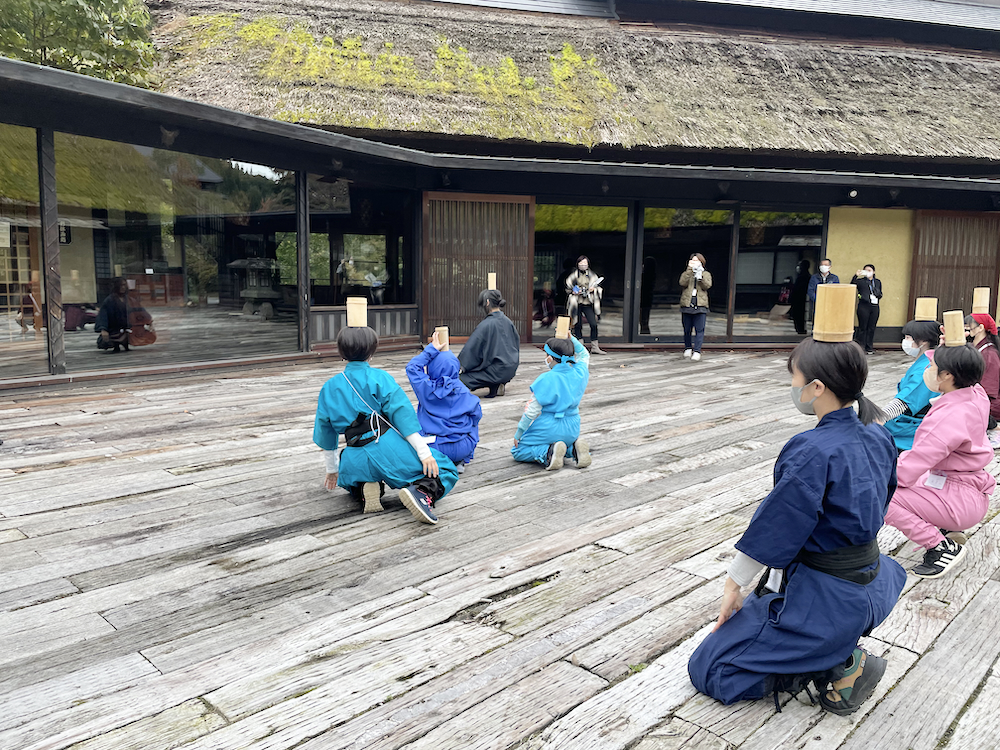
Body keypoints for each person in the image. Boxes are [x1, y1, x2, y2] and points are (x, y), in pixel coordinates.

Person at [688, 337, 905, 715]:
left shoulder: (813, 449)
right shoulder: (878, 433)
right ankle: (832, 648)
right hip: (873, 581)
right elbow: (881, 502)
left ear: (816, 388)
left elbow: (779, 525)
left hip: (828, 595)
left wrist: (733, 584)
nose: (793, 387)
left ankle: (838, 662)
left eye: (795, 378)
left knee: (711, 669)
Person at [314, 325, 460, 525]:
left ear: (341, 352)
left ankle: (365, 487)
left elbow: (325, 433)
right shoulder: (380, 378)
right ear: (371, 352)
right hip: (386, 445)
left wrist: (332, 470)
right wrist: (424, 453)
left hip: (353, 456)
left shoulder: (328, 387)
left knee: (350, 479)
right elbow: (403, 416)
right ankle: (421, 492)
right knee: (445, 470)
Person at [885, 345, 995, 577]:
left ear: (946, 375)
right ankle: (946, 527)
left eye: (933, 366)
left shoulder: (947, 418)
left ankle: (939, 546)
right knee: (910, 482)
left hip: (958, 498)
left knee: (881, 494)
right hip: (967, 486)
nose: (929, 370)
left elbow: (909, 468)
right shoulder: (975, 395)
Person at [406, 330, 483, 474]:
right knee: (473, 421)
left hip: (434, 447)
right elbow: (477, 415)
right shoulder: (464, 391)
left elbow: (412, 368)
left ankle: (438, 462)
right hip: (462, 446)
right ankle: (461, 460)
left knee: (412, 423)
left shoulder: (426, 389)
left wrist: (430, 351)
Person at [511, 335, 592, 471]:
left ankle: (548, 452)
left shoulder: (545, 378)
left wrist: (519, 433)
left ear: (550, 358)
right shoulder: (580, 372)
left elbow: (531, 411)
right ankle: (573, 450)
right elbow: (584, 354)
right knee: (564, 442)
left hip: (549, 425)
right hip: (573, 426)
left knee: (518, 450)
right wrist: (571, 338)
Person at [882, 320, 940, 452]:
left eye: (908, 338)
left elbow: (905, 402)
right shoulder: (925, 361)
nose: (905, 341)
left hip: (914, 426)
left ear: (923, 341)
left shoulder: (926, 368)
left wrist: (879, 417)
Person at [458, 289, 520, 398]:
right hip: (511, 368)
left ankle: (496, 382)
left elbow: (472, 350)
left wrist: (460, 366)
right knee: (489, 363)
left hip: (496, 371)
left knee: (460, 379)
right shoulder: (508, 322)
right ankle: (497, 385)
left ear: (487, 303)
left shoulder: (485, 325)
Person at [965, 313, 1000, 433]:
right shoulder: (973, 347)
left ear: (980, 328)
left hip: (987, 403)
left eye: (969, 326)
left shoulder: (990, 354)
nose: (966, 329)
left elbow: (988, 390)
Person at [565, 256, 606, 355]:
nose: (583, 265)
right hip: (576, 302)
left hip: (588, 302)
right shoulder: (573, 276)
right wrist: (574, 292)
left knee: (593, 324)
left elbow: (599, 288)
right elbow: (567, 288)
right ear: (578, 264)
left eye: (585, 263)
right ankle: (580, 348)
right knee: (577, 324)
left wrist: (593, 290)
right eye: (581, 263)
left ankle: (595, 347)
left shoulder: (592, 275)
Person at [678, 253, 712, 362]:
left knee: (699, 329)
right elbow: (682, 282)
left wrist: (700, 276)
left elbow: (707, 285)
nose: (695, 263)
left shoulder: (706, 274)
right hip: (687, 304)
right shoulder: (686, 273)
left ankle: (697, 351)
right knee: (687, 329)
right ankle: (688, 348)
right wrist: (690, 270)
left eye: (697, 261)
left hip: (700, 305)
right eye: (692, 261)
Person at [851, 265, 882, 354]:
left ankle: (869, 347)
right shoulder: (861, 281)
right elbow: (852, 285)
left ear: (874, 272)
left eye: (869, 270)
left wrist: (878, 294)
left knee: (871, 327)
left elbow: (880, 292)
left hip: (875, 305)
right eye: (865, 270)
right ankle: (861, 346)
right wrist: (856, 275)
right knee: (862, 327)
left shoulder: (877, 281)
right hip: (864, 305)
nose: (867, 272)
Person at [95, 277, 130, 353]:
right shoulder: (110, 300)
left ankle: (125, 341)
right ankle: (116, 344)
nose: (123, 287)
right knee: (105, 341)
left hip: (127, 329)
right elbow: (103, 315)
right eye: (121, 285)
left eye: (124, 285)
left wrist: (148, 321)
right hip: (113, 330)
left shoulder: (129, 299)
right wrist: (103, 329)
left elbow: (138, 311)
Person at [789, 260, 811, 335]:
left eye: (800, 265)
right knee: (799, 317)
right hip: (799, 300)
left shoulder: (804, 277)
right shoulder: (803, 276)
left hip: (800, 300)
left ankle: (800, 330)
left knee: (799, 317)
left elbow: (798, 289)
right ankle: (800, 330)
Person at [639, 256, 657, 335]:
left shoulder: (645, 275)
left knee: (643, 314)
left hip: (643, 296)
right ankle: (645, 328)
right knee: (645, 314)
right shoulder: (653, 274)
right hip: (648, 296)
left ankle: (644, 330)